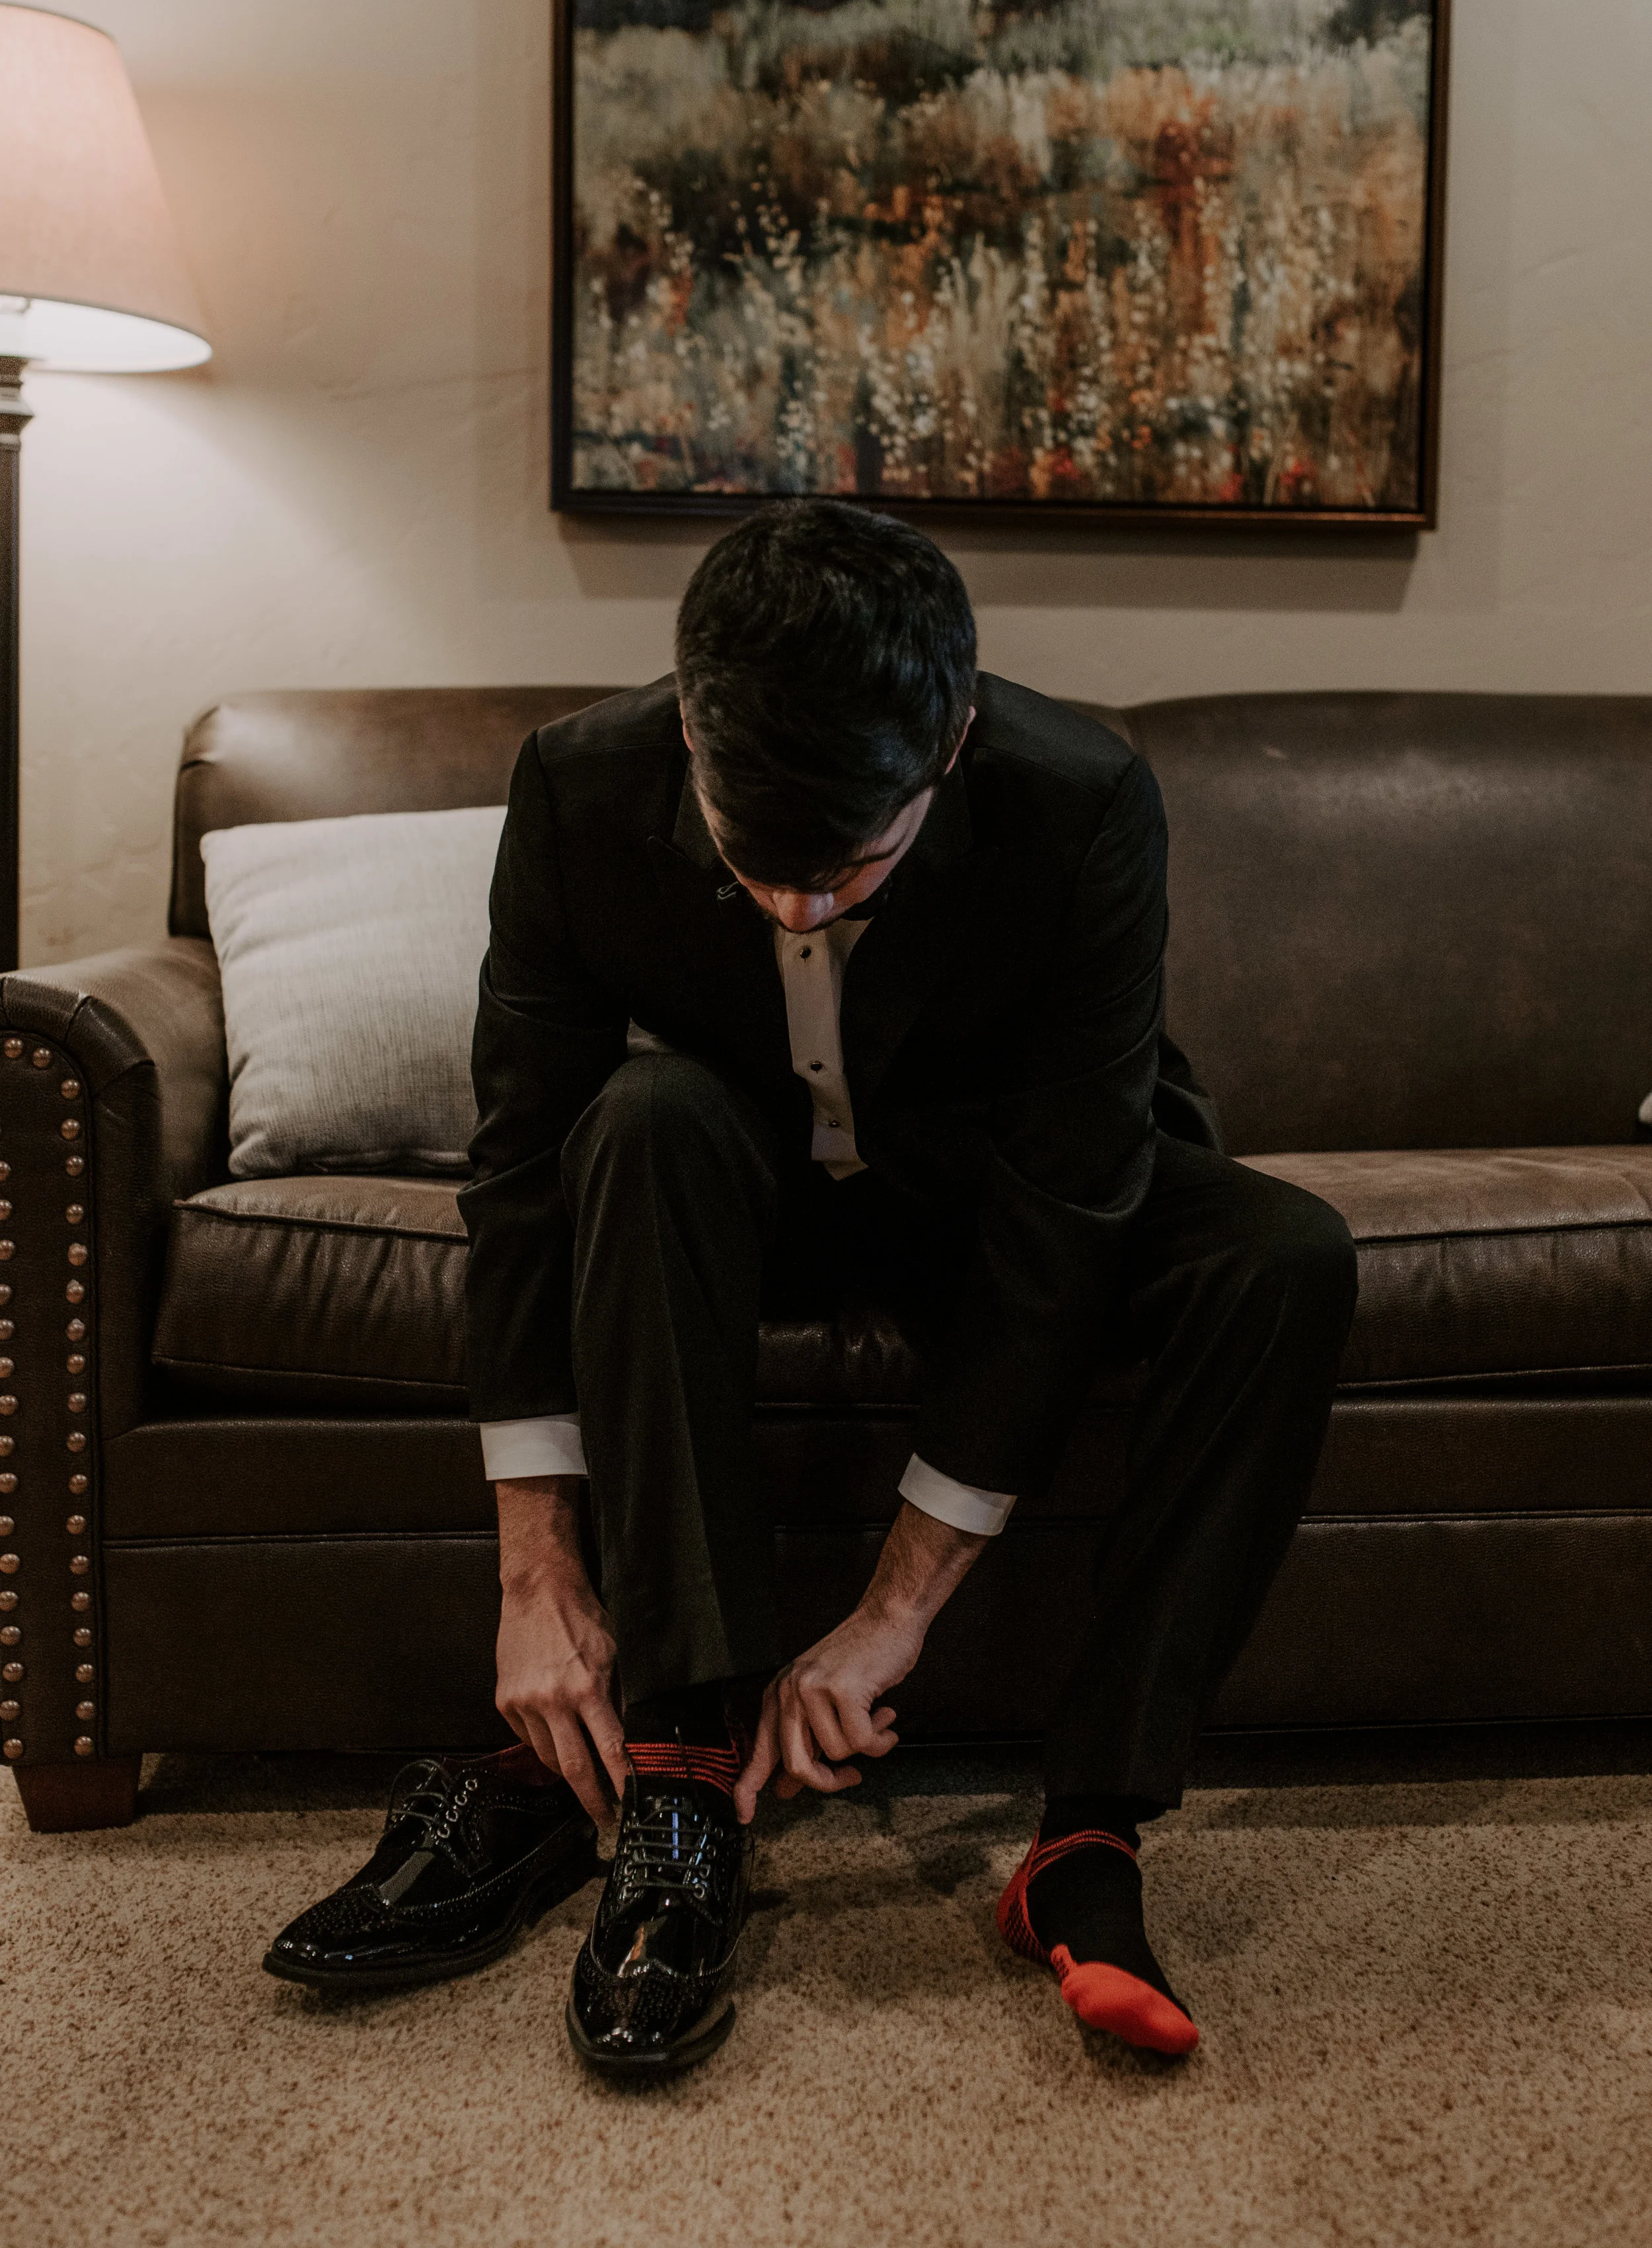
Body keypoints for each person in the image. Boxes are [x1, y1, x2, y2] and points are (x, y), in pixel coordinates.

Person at [265, 502, 1356, 2074]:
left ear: (955, 743)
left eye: (847, 866)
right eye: (754, 861)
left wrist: (893, 1613)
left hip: (996, 1186)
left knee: (1282, 1253)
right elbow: (515, 1171)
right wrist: (532, 1575)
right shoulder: (580, 783)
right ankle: (682, 1769)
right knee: (634, 1119)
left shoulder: (1084, 799)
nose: (795, 911)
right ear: (693, 726)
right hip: (734, 1183)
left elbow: (1066, 1211)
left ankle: (1088, 1837)